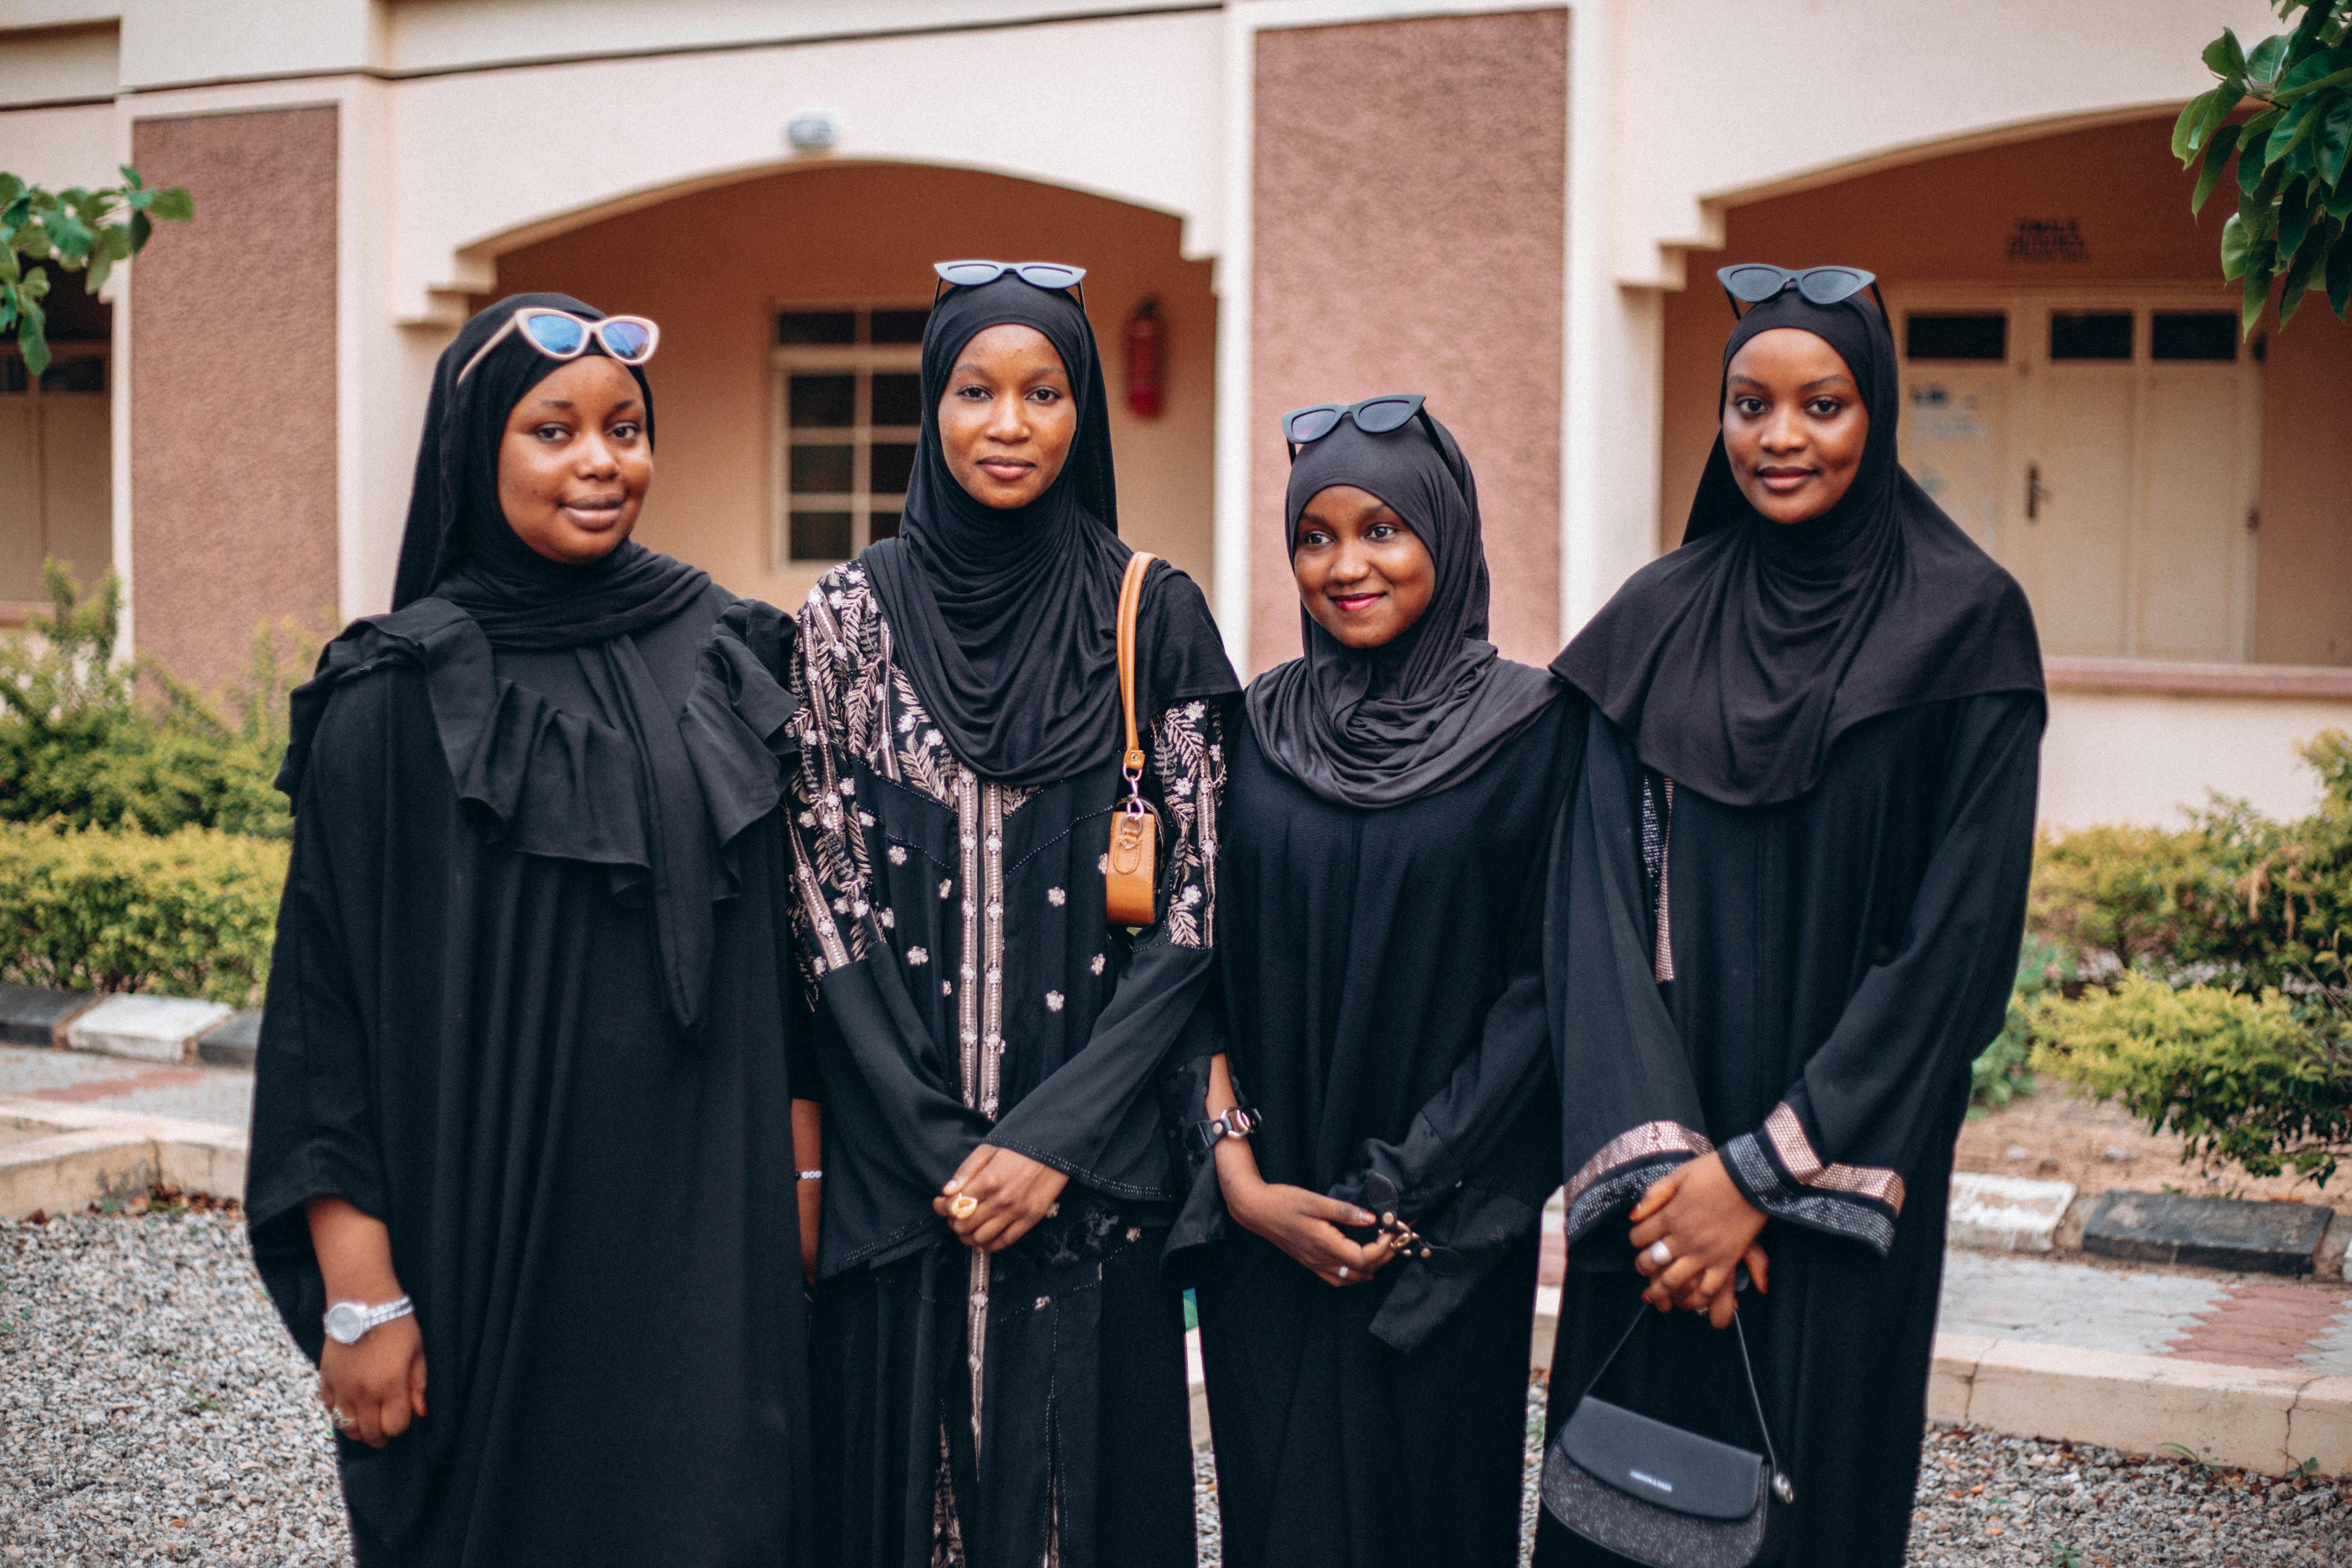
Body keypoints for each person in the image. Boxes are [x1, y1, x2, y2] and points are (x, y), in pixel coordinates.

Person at [247, 294, 815, 1566]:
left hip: (706, 1233)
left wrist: (807, 1177)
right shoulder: (395, 695)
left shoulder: (729, 649)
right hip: (489, 1228)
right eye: (553, 431)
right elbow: (324, 1004)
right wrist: (358, 1285)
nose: (601, 462)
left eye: (625, 428)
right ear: (475, 449)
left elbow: (787, 962)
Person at [1535, 269, 2045, 1566]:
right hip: (1654, 1204)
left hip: (1835, 1197)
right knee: (1629, 1514)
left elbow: (1958, 950)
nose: (1780, 438)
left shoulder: (1966, 630)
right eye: (1749, 405)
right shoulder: (1652, 625)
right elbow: (1587, 914)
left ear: (1874, 413)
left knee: (1810, 1514)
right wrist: (1672, 1192)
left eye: (1822, 404)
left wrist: (1757, 1181)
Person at [783, 262, 1237, 1568]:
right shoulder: (846, 621)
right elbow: (823, 898)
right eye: (975, 391)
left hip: (1090, 1187)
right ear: (931, 407)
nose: (1009, 423)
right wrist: (936, 1142)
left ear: (1082, 413)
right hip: (898, 1176)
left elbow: (1200, 906)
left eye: (1044, 393)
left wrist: (1051, 1140)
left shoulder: (1154, 615)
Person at [1174, 398, 1576, 1568]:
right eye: (1315, 535)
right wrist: (1240, 1175)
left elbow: (1544, 992)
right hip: (1269, 1238)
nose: (1346, 566)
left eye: (1385, 530)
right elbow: (1193, 974)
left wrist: (1396, 1191)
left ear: (1447, 538)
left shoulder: (1537, 730)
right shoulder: (1250, 731)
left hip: (1442, 1241)